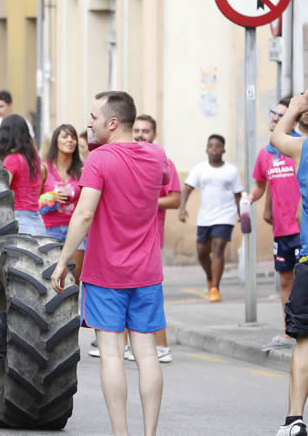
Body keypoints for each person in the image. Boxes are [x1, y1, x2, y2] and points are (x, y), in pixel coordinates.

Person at [51, 91, 170, 436]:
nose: (88, 123)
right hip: (147, 272)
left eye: (93, 117)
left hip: (106, 274)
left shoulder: (100, 161)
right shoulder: (157, 155)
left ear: (112, 122)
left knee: (113, 356)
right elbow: (162, 181)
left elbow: (84, 213)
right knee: (147, 355)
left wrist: (62, 262)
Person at [268, 93, 308, 436]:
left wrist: (294, 107)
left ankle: (294, 419)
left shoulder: (302, 149)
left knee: (305, 342)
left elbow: (276, 138)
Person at [131, 113, 181, 363]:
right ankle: (136, 344)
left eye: (146, 131)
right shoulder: (127, 161)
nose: (140, 135)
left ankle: (161, 345)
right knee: (130, 291)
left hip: (150, 239)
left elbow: (175, 198)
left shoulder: (165, 163)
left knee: (151, 293)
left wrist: (145, 202)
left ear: (155, 134)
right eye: (137, 130)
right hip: (126, 240)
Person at [253, 97, 301, 350]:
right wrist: (250, 200)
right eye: (273, 113)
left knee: (302, 281)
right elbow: (262, 183)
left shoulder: (297, 145)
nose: (274, 117)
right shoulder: (265, 153)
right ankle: (287, 332)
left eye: (280, 114)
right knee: (285, 282)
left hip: (301, 230)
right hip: (281, 230)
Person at [180, 134, 242, 302]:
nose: (214, 149)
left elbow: (238, 195)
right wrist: (182, 208)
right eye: (210, 146)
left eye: (217, 146)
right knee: (201, 253)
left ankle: (215, 287)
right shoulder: (200, 169)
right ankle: (210, 276)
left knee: (218, 248)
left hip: (225, 216)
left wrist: (241, 214)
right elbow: (187, 188)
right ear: (206, 149)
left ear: (223, 150)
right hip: (205, 218)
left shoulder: (231, 170)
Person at [40, 123, 84, 279]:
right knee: (50, 278)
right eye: (65, 136)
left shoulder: (83, 170)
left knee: (74, 280)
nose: (70, 140)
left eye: (73, 137)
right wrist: (50, 197)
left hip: (76, 230)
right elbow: (34, 202)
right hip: (50, 229)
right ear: (55, 142)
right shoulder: (44, 168)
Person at [0, 114, 44, 234]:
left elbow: (2, 191)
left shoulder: (12, 160)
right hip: (37, 220)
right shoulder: (35, 158)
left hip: (19, 219)